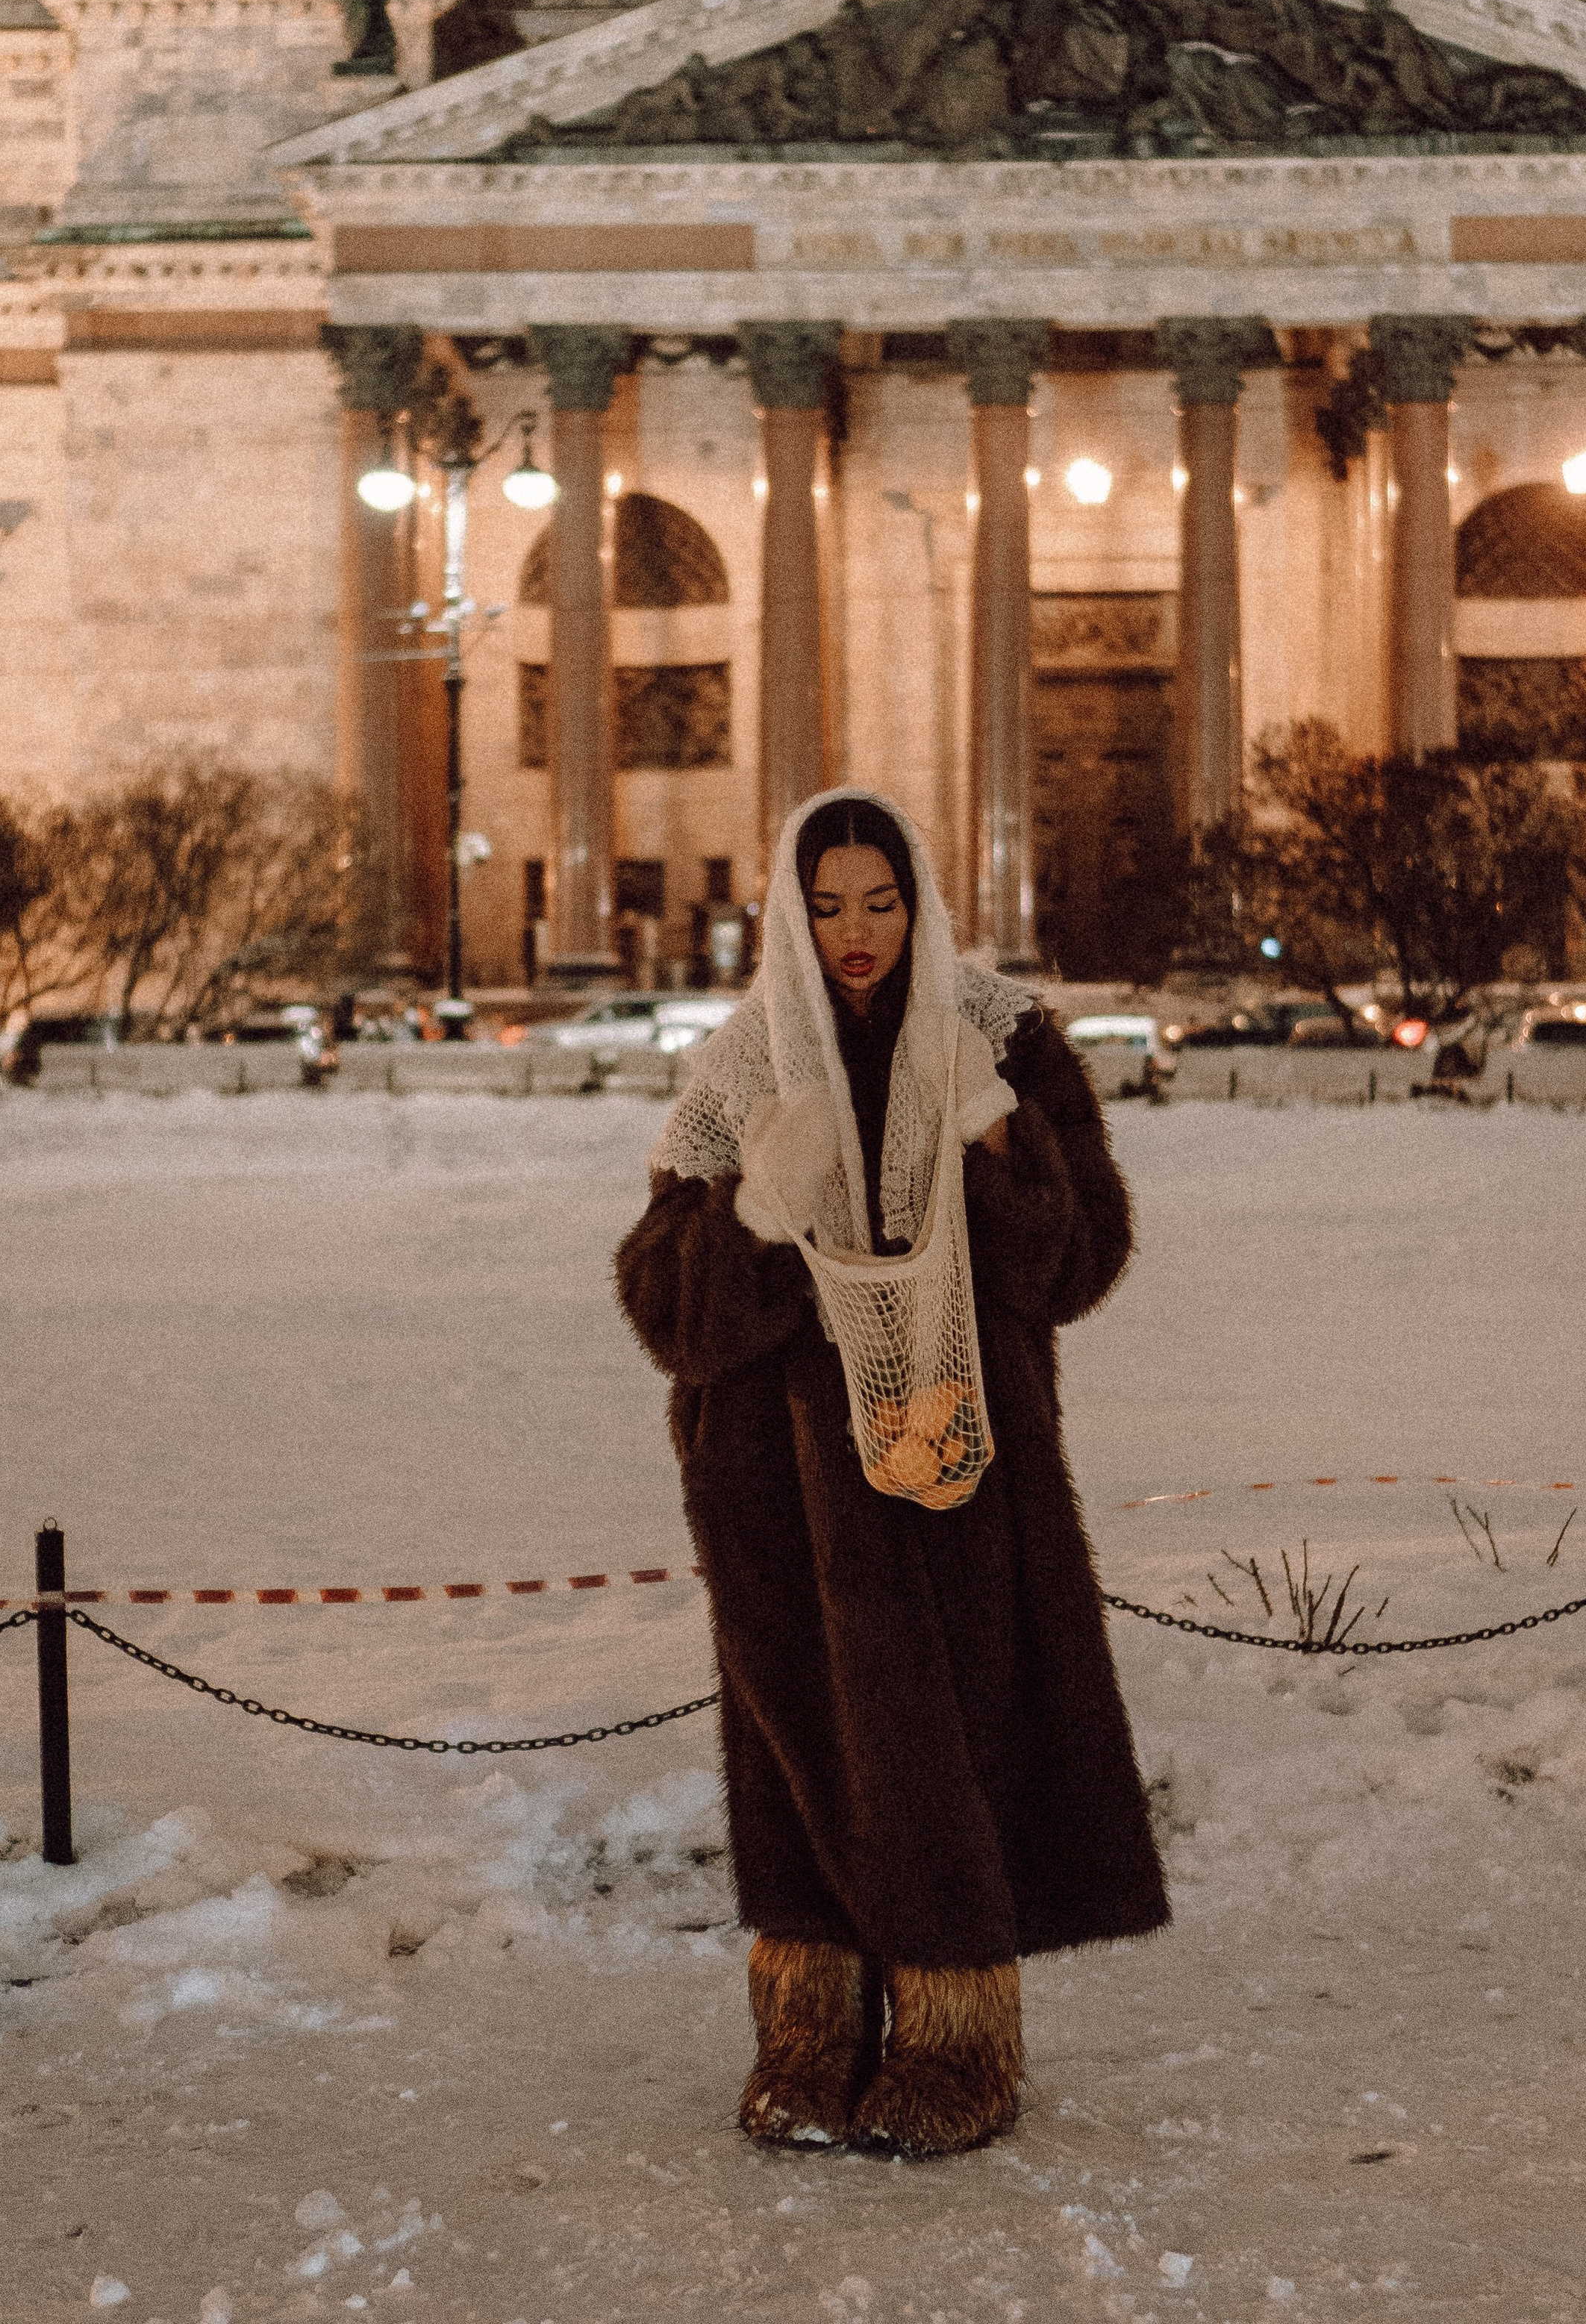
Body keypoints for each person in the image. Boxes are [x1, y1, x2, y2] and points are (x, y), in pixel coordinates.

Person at [614, 787, 1168, 2159]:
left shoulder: (1002, 1039)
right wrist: (751, 1213)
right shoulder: (743, 1069)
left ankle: (955, 2042)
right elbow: (668, 1315)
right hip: (780, 1480)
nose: (856, 934)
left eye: (880, 901)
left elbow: (1080, 1261)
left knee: (945, 1755)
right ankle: (805, 2039)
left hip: (964, 1462)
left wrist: (998, 1143)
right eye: (826, 906)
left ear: (921, 901)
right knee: (800, 1747)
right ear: (789, 921)